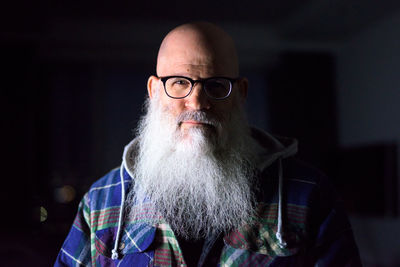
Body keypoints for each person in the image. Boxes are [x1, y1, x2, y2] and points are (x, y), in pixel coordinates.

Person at [55, 22, 361, 266]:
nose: (197, 101)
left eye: (216, 85)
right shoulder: (101, 201)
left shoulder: (309, 193)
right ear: (154, 91)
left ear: (241, 93)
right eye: (179, 82)